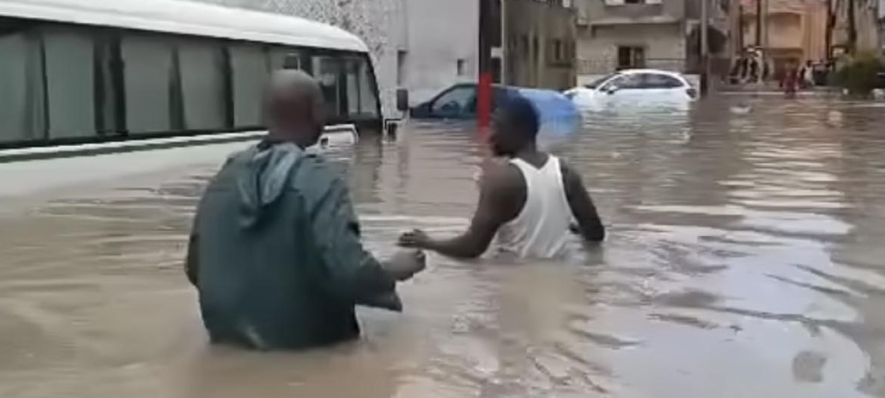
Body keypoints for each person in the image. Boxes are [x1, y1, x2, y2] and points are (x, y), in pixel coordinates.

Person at [184, 70, 426, 350]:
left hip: (228, 348)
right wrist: (393, 270)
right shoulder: (320, 180)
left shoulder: (223, 179)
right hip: (308, 351)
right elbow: (349, 272)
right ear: (316, 111)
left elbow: (195, 269)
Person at [398, 96, 605, 260]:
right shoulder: (567, 173)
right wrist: (568, 226)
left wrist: (428, 242)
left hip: (516, 285)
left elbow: (472, 248)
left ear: (516, 131)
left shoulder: (502, 180)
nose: (490, 136)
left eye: (497, 126)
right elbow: (595, 234)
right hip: (561, 281)